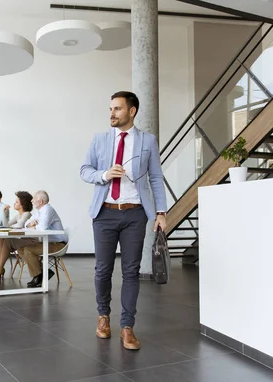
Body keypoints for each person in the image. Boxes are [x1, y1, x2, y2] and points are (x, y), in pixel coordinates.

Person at [80, 91, 167, 350]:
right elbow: (84, 170)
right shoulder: (100, 140)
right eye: (110, 109)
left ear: (132, 111)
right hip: (104, 212)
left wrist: (161, 212)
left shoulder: (147, 141)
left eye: (117, 109)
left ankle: (127, 327)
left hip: (135, 213)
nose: (112, 114)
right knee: (102, 269)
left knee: (131, 271)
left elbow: (155, 178)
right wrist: (105, 174)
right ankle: (104, 317)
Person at [19, 191, 68, 288]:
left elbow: (42, 228)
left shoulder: (47, 210)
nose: (31, 201)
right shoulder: (40, 211)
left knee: (28, 250)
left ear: (40, 201)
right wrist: (30, 224)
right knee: (20, 249)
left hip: (58, 244)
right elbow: (26, 223)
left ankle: (37, 277)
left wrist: (34, 225)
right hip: (48, 243)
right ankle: (44, 272)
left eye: (33, 199)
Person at [0, 191, 34, 281]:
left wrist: (11, 226)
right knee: (3, 239)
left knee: (7, 240)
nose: (14, 203)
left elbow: (19, 225)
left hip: (30, 241)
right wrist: (3, 213)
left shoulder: (26, 214)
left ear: (22, 204)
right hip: (23, 240)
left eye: (16, 202)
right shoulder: (18, 215)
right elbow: (6, 225)